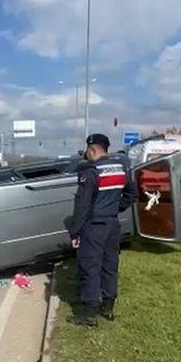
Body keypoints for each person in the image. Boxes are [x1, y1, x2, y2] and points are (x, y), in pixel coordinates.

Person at [69, 134, 138, 326]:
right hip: (112, 225)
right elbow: (132, 194)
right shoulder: (120, 169)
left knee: (90, 267)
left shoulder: (91, 171)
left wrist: (75, 232)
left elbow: (82, 206)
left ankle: (88, 314)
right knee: (110, 265)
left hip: (94, 227)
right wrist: (116, 208)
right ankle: (108, 307)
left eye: (87, 150)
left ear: (92, 150)